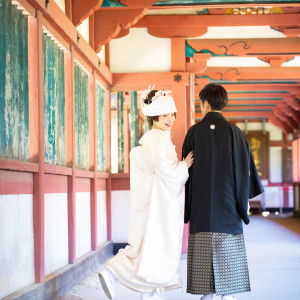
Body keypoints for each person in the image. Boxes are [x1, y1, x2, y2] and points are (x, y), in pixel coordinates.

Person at [99, 88, 194, 300]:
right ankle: (114, 272)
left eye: (172, 115)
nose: (170, 119)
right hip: (158, 205)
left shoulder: (152, 139)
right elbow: (168, 173)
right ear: (154, 117)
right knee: (151, 247)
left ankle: (148, 291)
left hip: (153, 202)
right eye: (165, 115)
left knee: (149, 248)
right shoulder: (157, 139)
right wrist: (184, 166)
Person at [182, 83, 264, 300]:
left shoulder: (193, 132)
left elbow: (185, 171)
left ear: (205, 104)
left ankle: (206, 293)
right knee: (227, 248)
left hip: (200, 205)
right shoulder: (234, 132)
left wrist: (186, 206)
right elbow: (246, 169)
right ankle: (227, 294)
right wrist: (242, 200)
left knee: (202, 247)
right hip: (229, 203)